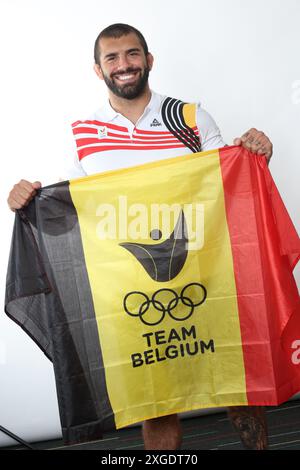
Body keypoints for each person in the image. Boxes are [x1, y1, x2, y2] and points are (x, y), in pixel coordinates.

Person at [7, 23, 272, 450]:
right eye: (112, 58)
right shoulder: (84, 133)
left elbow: (229, 182)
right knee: (157, 401)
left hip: (207, 277)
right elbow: (74, 211)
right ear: (98, 70)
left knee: (238, 385)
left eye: (132, 54)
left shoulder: (189, 117)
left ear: (148, 61)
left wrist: (257, 151)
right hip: (132, 289)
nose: (124, 65)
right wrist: (30, 200)